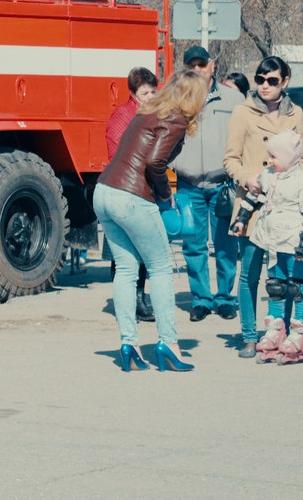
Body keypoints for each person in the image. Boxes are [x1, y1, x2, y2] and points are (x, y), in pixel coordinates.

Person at [93, 69, 207, 372]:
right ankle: (168, 343)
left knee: (127, 270)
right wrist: (164, 195)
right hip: (131, 196)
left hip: (104, 191)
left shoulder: (147, 111)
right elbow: (155, 161)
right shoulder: (176, 119)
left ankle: (128, 343)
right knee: (160, 268)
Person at [223, 55, 303, 358]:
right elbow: (230, 158)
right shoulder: (242, 112)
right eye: (260, 79)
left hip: (284, 207)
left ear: (285, 81)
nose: (264, 85)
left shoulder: (295, 113)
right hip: (252, 206)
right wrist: (249, 178)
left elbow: (302, 158)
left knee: (282, 276)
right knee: (250, 274)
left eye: (272, 80)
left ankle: (278, 333)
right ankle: (248, 335)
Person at [232, 130, 303, 363]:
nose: (269, 161)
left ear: (289, 157)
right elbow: (253, 197)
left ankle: (300, 334)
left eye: (274, 157)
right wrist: (241, 218)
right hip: (270, 240)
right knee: (275, 286)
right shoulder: (268, 175)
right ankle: (275, 330)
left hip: (294, 242)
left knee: (297, 288)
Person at [172, 46, 244, 322]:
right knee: (193, 245)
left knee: (226, 245)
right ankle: (201, 299)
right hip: (189, 185)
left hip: (223, 184)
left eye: (202, 64)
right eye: (192, 65)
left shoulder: (233, 99)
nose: (198, 69)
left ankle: (225, 298)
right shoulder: (179, 98)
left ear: (212, 66)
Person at [104, 66, 158, 320]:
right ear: (134, 93)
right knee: (125, 252)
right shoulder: (122, 116)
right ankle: (127, 301)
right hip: (124, 189)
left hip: (145, 189)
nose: (150, 97)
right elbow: (116, 151)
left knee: (144, 250)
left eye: (153, 92)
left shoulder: (153, 116)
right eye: (146, 92)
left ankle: (139, 297)